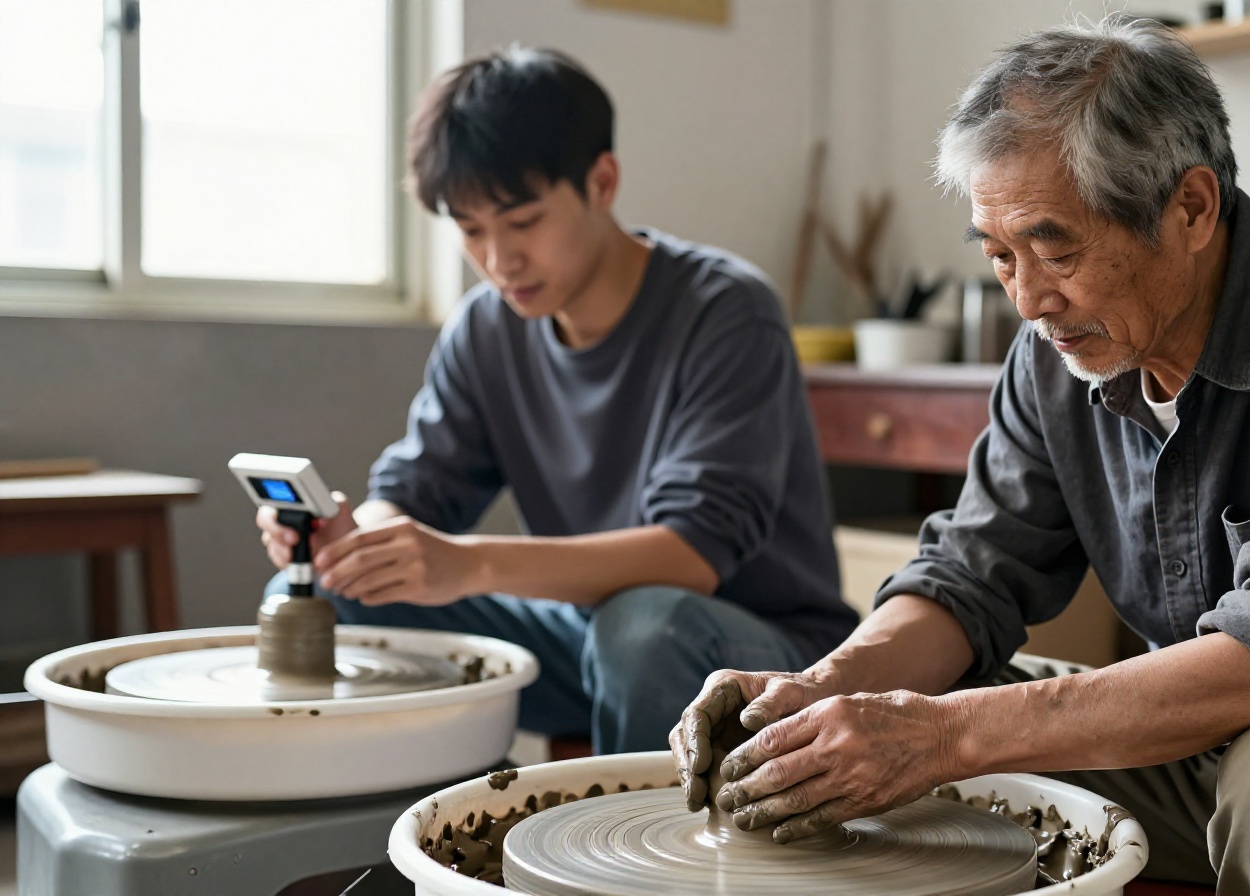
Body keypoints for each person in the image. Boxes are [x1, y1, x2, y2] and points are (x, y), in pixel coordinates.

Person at [671, 17, 1250, 894]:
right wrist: (823, 692)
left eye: (1055, 247)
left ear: (1191, 206)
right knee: (901, 708)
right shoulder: (1056, 355)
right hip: (1216, 749)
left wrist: (941, 735)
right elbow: (968, 577)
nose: (1028, 299)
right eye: (998, 256)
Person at [259, 47, 858, 754]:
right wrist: (361, 544)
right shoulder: (487, 328)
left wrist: (466, 562)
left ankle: (627, 859)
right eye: (471, 229)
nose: (497, 259)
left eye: (522, 222)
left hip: (748, 649)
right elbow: (410, 493)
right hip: (586, 631)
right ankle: (405, 850)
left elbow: (692, 555)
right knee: (321, 602)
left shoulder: (727, 311)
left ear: (602, 181)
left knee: (642, 626)